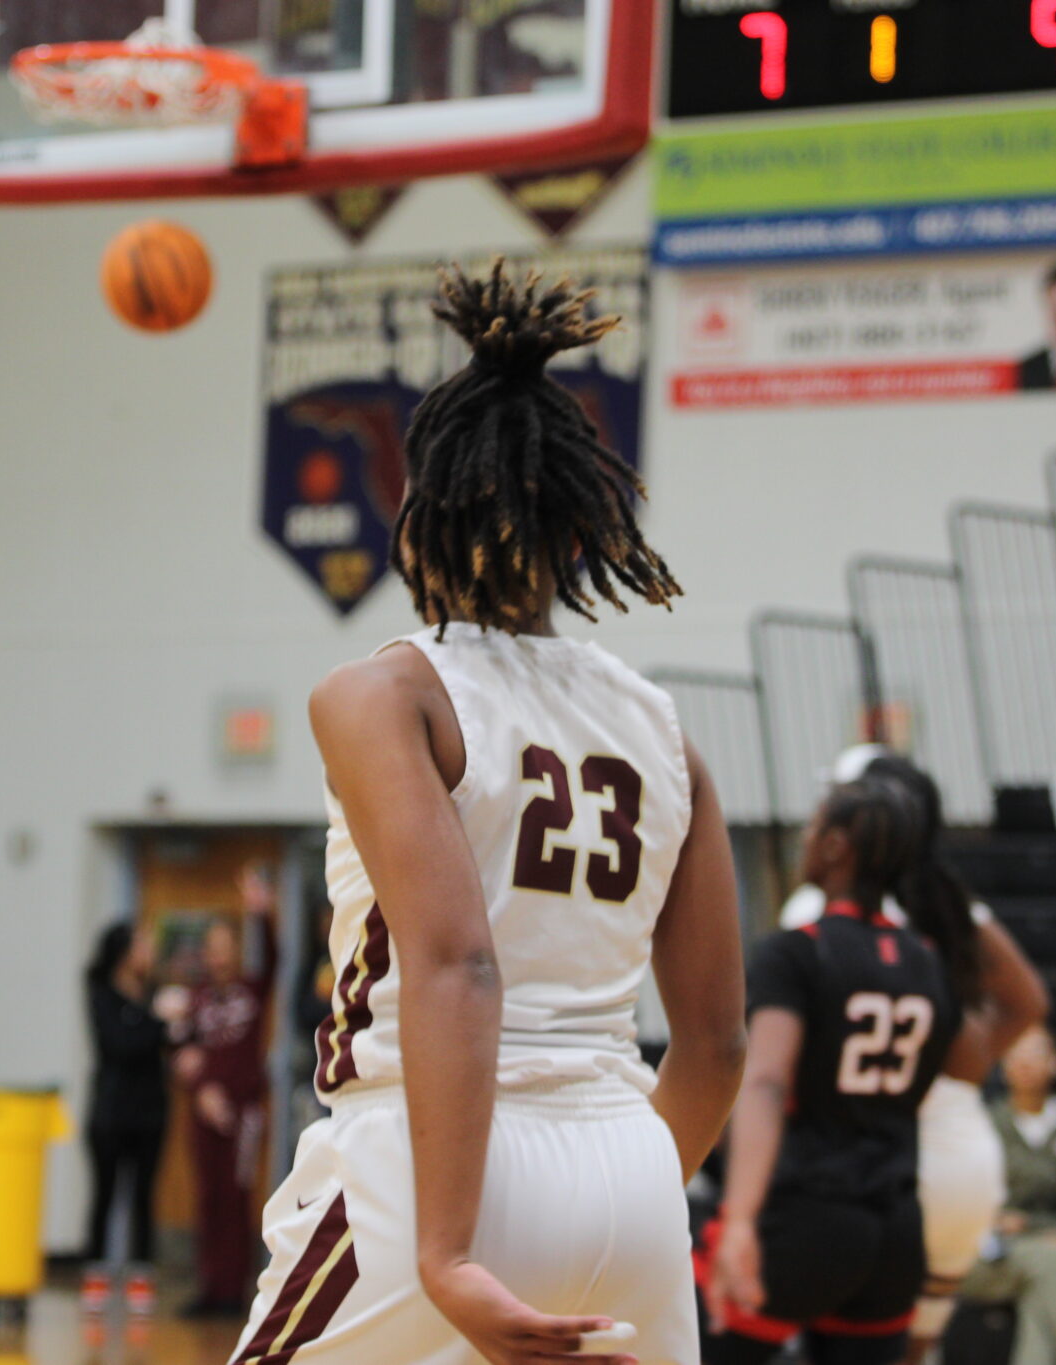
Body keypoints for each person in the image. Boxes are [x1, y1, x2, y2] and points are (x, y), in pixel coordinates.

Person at [230, 260, 747, 1365]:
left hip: (439, 1165)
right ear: (578, 533)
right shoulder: (666, 734)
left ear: (416, 515)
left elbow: (458, 963)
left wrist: (450, 1249)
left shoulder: (384, 693)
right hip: (635, 1173)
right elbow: (714, 1043)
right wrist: (615, 1196)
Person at [781, 749, 1049, 1361]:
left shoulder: (822, 911)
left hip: (874, 1167)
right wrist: (953, 1070)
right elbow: (1028, 1002)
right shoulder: (952, 903)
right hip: (963, 1164)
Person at [702, 779, 958, 1365]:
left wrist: (739, 1219)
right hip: (895, 1229)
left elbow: (766, 1081)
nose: (805, 838)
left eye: (814, 826)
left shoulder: (796, 951)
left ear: (837, 846)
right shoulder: (927, 960)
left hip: (805, 1215)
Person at [959, 1027, 1056, 1365]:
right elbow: (971, 1207)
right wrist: (1042, 1233)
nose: (1024, 1062)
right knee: (1052, 1262)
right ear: (1003, 1065)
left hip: (1038, 1256)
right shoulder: (983, 1124)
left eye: (1034, 1052)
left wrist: (1027, 1225)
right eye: (1015, 1054)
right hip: (981, 1256)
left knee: (1043, 1289)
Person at [173, 866, 279, 1318]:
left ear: (237, 950)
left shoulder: (252, 989)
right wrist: (199, 1089)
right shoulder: (195, 999)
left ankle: (234, 1292)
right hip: (204, 1113)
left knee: (237, 1200)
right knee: (208, 1199)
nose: (218, 956)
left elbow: (274, 958)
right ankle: (210, 1287)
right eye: (211, 948)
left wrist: (262, 915)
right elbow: (182, 1054)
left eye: (225, 946)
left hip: (244, 1113)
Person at [81, 919, 170, 1317]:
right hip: (111, 1111)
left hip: (151, 1109)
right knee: (104, 1192)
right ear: (124, 952)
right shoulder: (101, 992)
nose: (149, 952)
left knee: (143, 1194)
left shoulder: (154, 993)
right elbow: (120, 1044)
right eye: (142, 944)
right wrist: (158, 1022)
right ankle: (96, 1274)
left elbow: (170, 1040)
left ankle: (140, 1275)